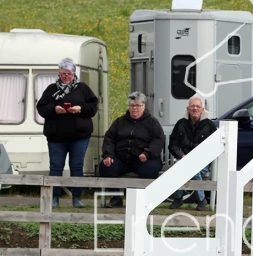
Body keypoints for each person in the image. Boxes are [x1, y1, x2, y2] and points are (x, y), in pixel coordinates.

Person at [36, 58, 99, 208]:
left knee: (77, 166)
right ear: (59, 73)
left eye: (69, 74)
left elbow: (93, 107)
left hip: (79, 136)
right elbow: (41, 108)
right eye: (63, 73)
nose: (66, 76)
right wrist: (54, 109)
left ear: (74, 74)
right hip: (56, 137)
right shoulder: (51, 89)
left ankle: (77, 198)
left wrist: (80, 109)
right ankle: (54, 198)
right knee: (56, 167)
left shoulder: (83, 88)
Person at [99, 92, 165, 208]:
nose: (135, 108)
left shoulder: (152, 122)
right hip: (122, 158)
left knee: (151, 169)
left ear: (144, 106)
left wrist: (148, 153)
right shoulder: (119, 122)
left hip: (143, 158)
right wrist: (108, 155)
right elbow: (109, 138)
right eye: (132, 105)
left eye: (138, 105)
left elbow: (158, 140)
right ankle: (116, 198)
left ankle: (143, 200)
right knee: (106, 166)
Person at [167, 95, 217, 211]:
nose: (195, 108)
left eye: (198, 106)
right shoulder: (181, 123)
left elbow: (214, 147)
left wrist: (198, 158)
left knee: (193, 168)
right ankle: (201, 200)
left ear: (202, 109)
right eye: (192, 106)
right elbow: (173, 145)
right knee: (183, 167)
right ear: (188, 109)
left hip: (202, 162)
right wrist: (181, 155)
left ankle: (178, 198)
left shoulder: (209, 125)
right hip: (183, 159)